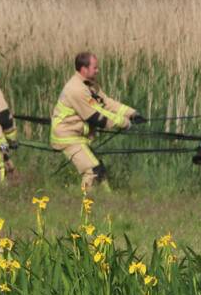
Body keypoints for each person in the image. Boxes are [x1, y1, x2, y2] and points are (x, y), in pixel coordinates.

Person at [50, 51, 143, 191]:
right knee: (92, 171)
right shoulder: (76, 89)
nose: (98, 70)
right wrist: (124, 123)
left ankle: (108, 200)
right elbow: (96, 117)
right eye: (95, 68)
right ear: (84, 69)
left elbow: (106, 103)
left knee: (100, 169)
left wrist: (132, 113)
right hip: (66, 137)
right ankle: (86, 205)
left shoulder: (90, 85)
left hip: (77, 135)